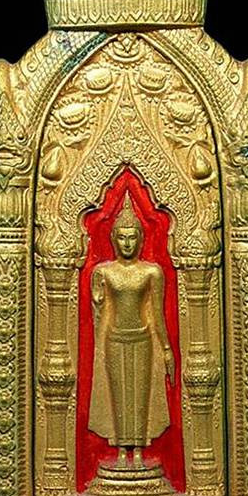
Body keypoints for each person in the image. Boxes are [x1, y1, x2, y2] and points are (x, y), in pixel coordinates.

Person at [88, 192, 175, 469]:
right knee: (118, 394)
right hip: (114, 338)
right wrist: (97, 297)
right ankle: (120, 451)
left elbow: (157, 314)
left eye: (132, 237)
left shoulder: (151, 272)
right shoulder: (104, 271)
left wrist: (167, 349)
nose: (127, 243)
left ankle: (138, 450)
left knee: (140, 394)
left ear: (141, 238)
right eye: (122, 237)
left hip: (143, 338)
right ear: (113, 239)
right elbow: (98, 307)